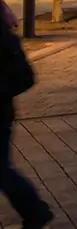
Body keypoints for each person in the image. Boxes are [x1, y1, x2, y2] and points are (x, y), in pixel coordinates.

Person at [0, 21, 50, 228]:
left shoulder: (4, 39)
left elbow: (24, 78)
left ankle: (36, 211)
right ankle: (36, 211)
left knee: (2, 171)